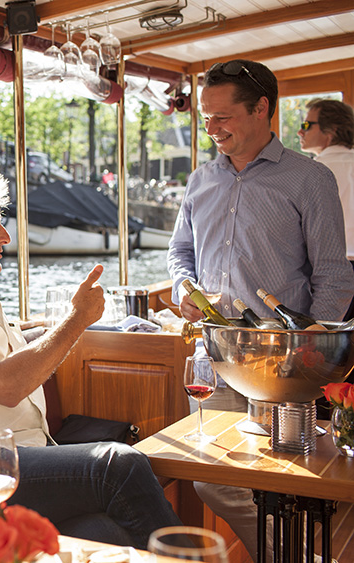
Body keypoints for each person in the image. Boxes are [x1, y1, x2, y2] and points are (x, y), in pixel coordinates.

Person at [0, 169, 183, 550]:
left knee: (107, 533)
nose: (5, 237)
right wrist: (76, 321)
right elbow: (7, 385)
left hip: (28, 457)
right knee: (119, 465)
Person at [167, 60, 354, 560]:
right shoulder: (199, 180)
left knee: (285, 478)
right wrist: (183, 284)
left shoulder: (309, 179)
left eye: (222, 117)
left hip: (283, 365)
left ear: (262, 109)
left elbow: (334, 276)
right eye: (205, 119)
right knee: (215, 480)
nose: (211, 129)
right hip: (214, 357)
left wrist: (308, 355)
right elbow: (179, 251)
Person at [298, 98, 354, 319]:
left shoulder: (309, 174)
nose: (300, 132)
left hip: (326, 274)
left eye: (306, 125)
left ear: (332, 130)